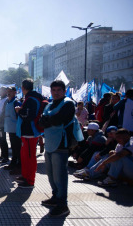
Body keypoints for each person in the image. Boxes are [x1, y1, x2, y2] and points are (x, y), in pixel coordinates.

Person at [39, 80, 84, 217]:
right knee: (51, 174)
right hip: (50, 143)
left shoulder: (68, 103)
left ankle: (63, 205)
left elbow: (59, 120)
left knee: (60, 175)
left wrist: (47, 120)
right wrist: (48, 120)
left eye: (59, 90)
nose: (56, 93)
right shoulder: (50, 105)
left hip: (62, 144)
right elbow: (41, 122)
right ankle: (55, 197)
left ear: (65, 91)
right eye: (54, 90)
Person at [15, 79, 44, 188]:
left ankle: (30, 180)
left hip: (30, 131)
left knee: (30, 156)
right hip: (27, 132)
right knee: (25, 156)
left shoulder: (31, 99)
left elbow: (28, 116)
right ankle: (25, 176)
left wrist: (19, 111)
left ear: (23, 87)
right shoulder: (32, 97)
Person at [3, 86, 22, 175]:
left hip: (16, 129)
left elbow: (20, 116)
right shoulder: (8, 102)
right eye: (7, 91)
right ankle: (13, 163)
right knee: (13, 148)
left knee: (17, 148)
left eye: (10, 91)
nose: (8, 93)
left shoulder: (16, 102)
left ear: (15, 92)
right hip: (10, 128)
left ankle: (19, 166)